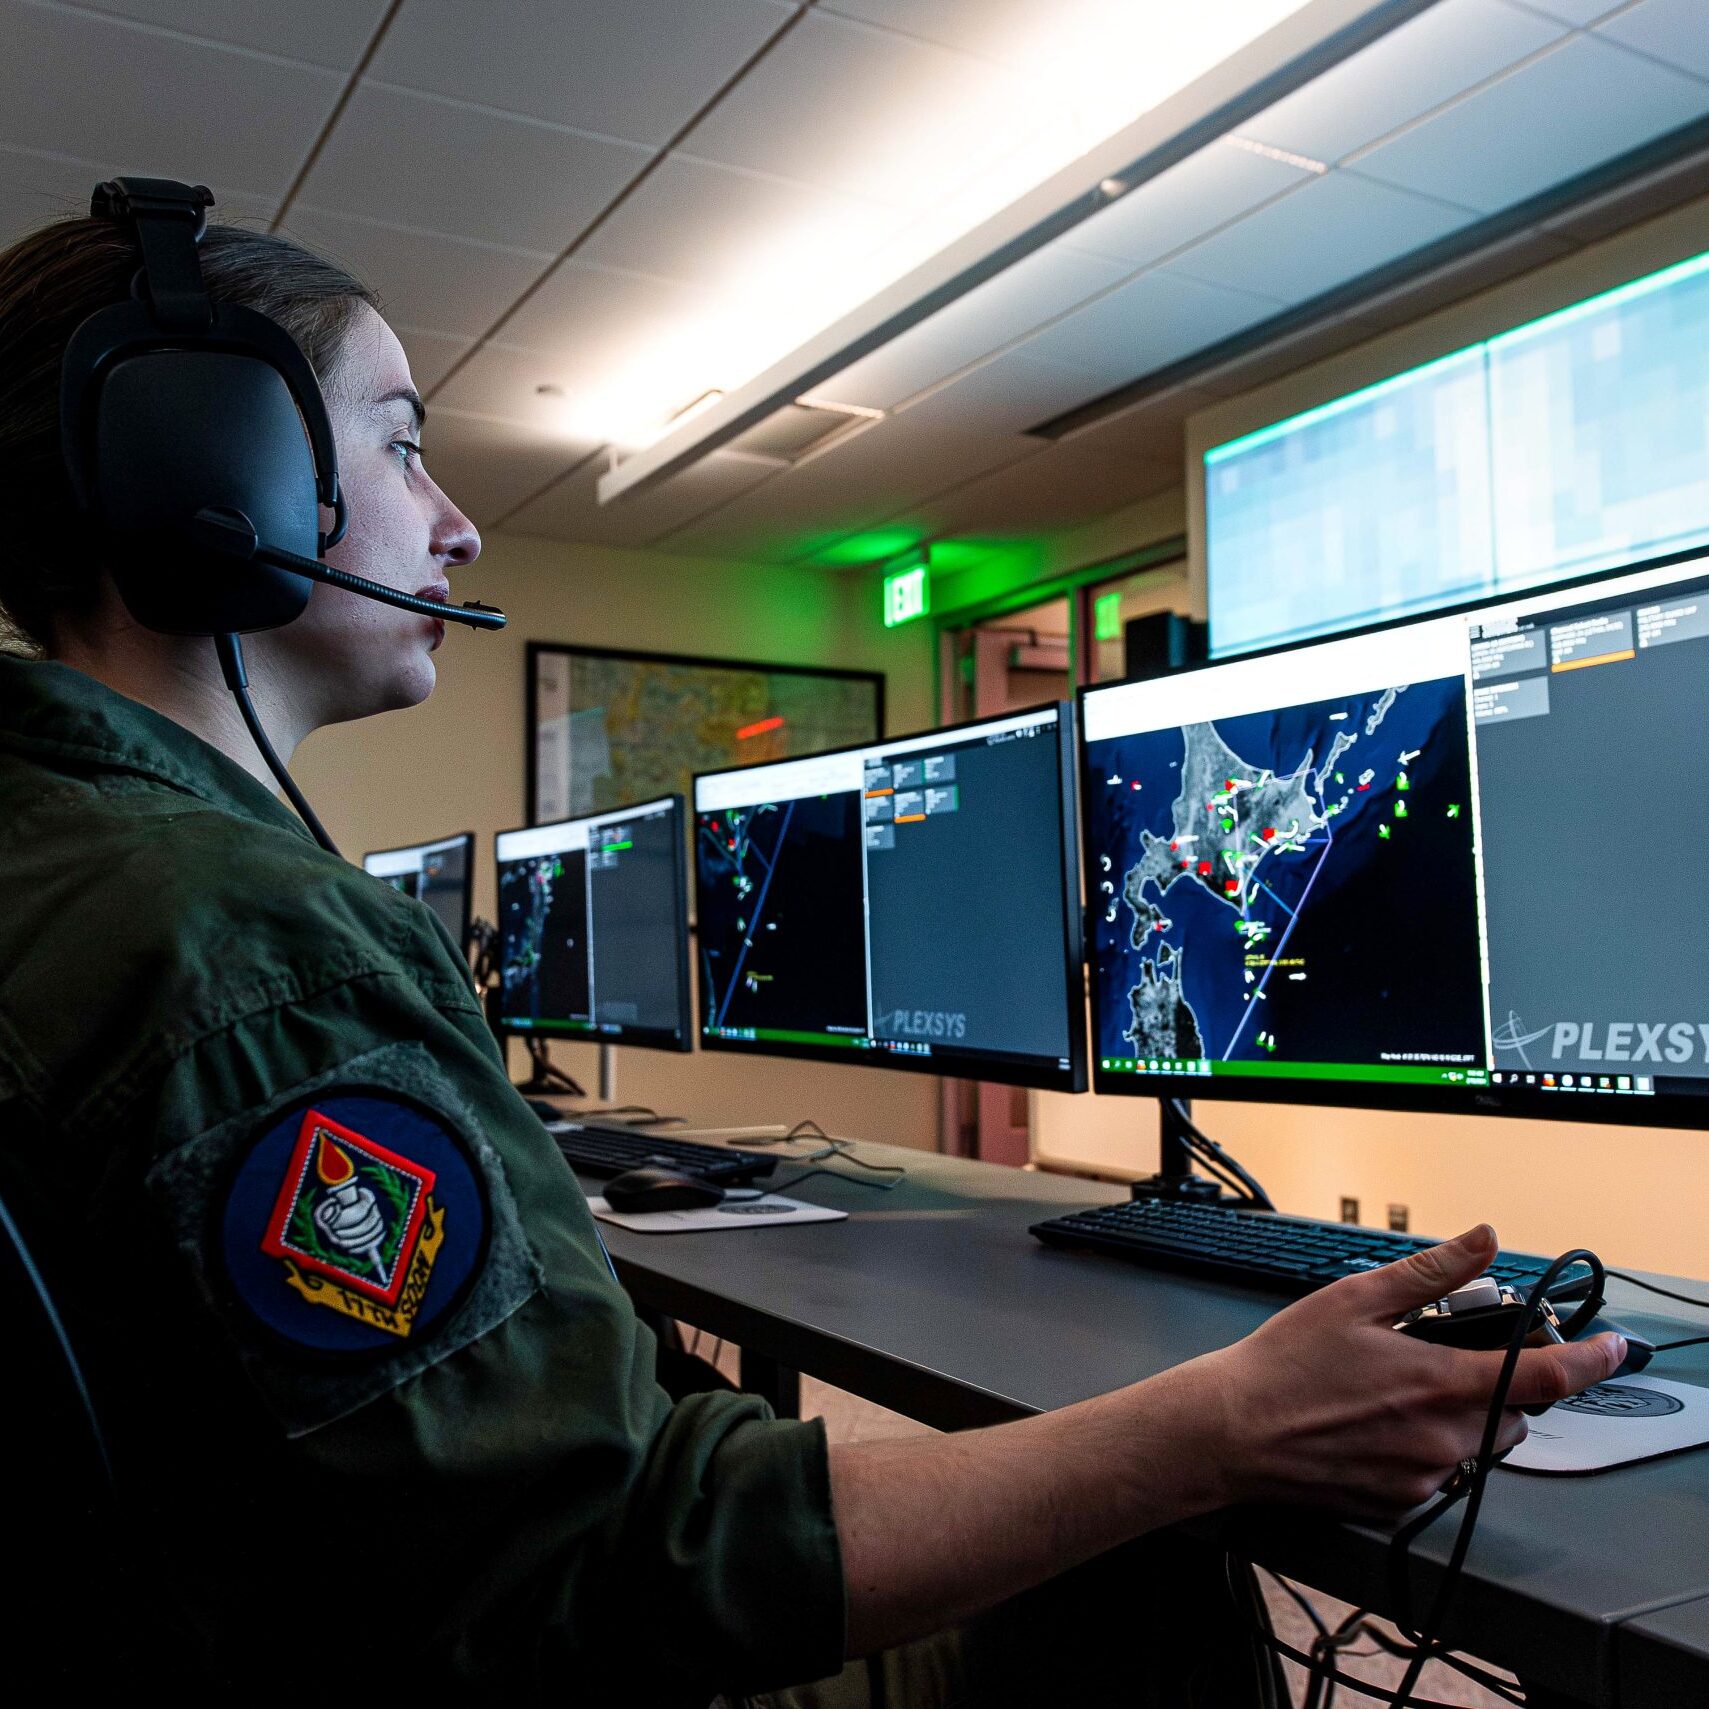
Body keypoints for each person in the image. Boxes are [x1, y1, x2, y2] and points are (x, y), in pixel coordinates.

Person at [0, 204, 1623, 1708]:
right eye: (406, 445)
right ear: (211, 475)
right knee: (1138, 1534)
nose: (460, 523)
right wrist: (1212, 1425)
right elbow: (609, 1559)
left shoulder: (66, 867)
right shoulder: (255, 948)